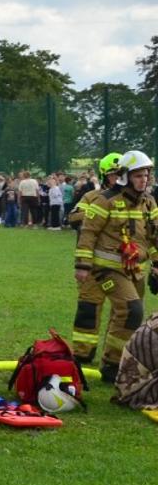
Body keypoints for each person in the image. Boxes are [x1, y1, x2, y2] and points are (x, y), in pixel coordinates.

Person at [72, 149, 158, 382]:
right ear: (126, 176)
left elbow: (153, 236)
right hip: (105, 270)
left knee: (129, 315)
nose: (144, 179)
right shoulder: (104, 200)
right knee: (129, 310)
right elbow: (88, 233)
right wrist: (82, 265)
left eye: (147, 175)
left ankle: (113, 364)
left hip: (134, 271)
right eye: (139, 175)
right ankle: (93, 359)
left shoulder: (149, 203)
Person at [71, 153, 127, 365]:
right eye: (114, 175)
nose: (119, 179)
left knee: (123, 313)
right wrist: (99, 215)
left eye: (122, 174)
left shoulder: (136, 200)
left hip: (124, 267)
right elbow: (73, 217)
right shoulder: (93, 197)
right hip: (93, 265)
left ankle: (115, 358)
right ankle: (83, 353)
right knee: (88, 308)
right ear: (105, 176)